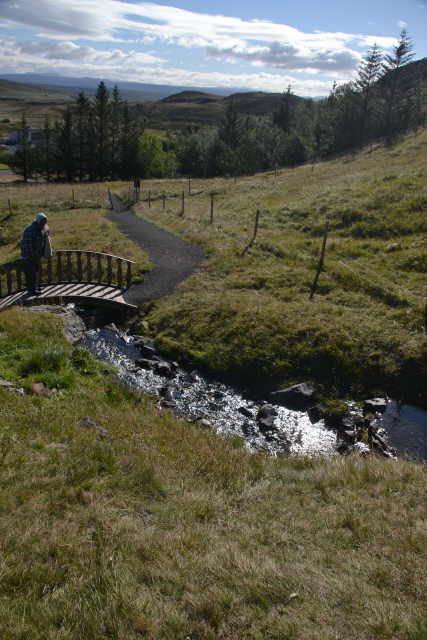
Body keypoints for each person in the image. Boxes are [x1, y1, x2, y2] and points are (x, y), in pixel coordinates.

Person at [21, 212, 51, 295]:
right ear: (39, 221)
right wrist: (32, 256)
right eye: (43, 222)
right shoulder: (31, 230)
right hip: (28, 256)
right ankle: (32, 291)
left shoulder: (38, 228)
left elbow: (41, 240)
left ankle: (34, 289)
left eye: (45, 222)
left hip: (34, 256)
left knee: (34, 273)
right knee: (31, 274)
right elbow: (28, 245)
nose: (45, 224)